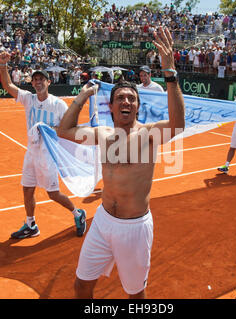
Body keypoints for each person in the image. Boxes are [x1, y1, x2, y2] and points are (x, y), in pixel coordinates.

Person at [57, 27, 185, 299]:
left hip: (134, 228)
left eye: (131, 98)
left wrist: (170, 73)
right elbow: (64, 131)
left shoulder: (149, 134)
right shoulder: (103, 135)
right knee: (81, 286)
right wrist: (83, 96)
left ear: (137, 107)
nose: (126, 101)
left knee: (135, 294)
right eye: (120, 98)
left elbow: (177, 125)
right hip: (102, 221)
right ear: (111, 108)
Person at [0, 53, 86, 239]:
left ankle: (78, 213)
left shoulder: (58, 104)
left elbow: (68, 128)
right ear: (32, 83)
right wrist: (3, 65)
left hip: (48, 154)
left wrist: (49, 129)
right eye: (35, 80)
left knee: (53, 193)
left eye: (41, 79)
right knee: (27, 189)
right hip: (32, 152)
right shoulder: (28, 99)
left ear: (48, 82)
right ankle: (31, 224)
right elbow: (7, 85)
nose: (38, 82)